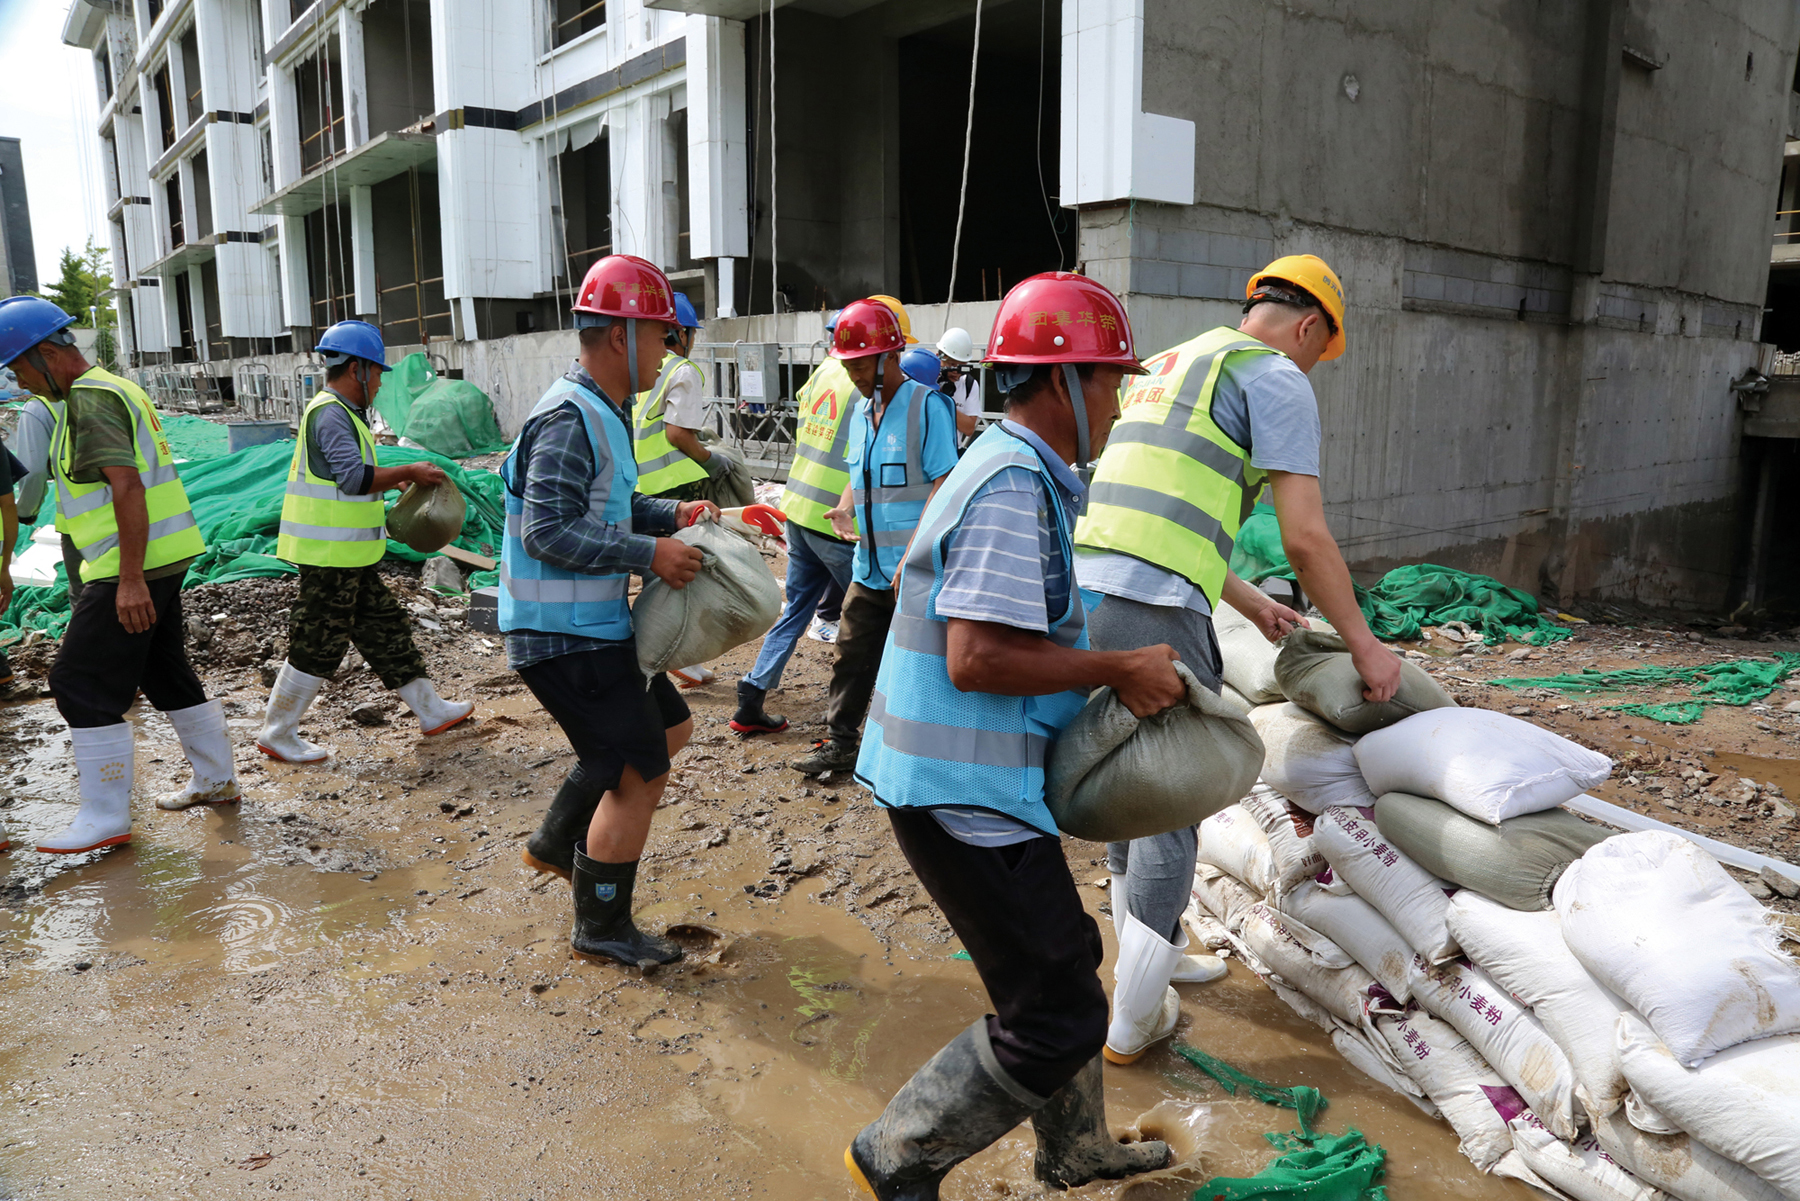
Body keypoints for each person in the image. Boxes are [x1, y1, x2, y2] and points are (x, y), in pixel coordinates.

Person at [845, 273, 1185, 1197]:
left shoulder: (1020, 470)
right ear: (1063, 383)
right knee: (1059, 1016)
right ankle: (899, 1151)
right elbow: (978, 659)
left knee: (1065, 957)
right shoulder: (1007, 484)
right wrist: (1117, 669)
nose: (1117, 400)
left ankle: (1073, 1147)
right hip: (958, 790)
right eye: (1110, 380)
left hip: (973, 780)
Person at [1073, 254, 1404, 1064]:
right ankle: (1134, 1017)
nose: (1313, 365)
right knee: (1175, 799)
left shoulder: (1171, 365)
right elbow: (1306, 534)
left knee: (1130, 787)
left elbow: (1162, 505)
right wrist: (1364, 643)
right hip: (1153, 603)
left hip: (1088, 588)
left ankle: (1156, 950)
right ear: (1309, 326)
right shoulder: (1276, 377)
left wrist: (1248, 598)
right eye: (1319, 351)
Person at [501, 254, 718, 966]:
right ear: (622, 335)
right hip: (561, 636)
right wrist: (647, 555)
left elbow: (609, 505)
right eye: (661, 335)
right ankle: (601, 923)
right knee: (638, 769)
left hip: (590, 628)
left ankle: (558, 839)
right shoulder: (570, 417)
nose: (670, 350)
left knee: (670, 726)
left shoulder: (602, 410)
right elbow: (547, 530)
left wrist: (671, 513)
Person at [0, 295, 238, 854]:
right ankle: (217, 779)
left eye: (18, 369)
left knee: (76, 683)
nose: (19, 383)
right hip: (158, 555)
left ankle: (105, 814)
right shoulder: (112, 386)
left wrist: (128, 579)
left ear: (44, 355)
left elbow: (126, 486)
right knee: (162, 669)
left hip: (127, 564)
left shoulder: (89, 399)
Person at [258, 321, 474, 763]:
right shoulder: (331, 413)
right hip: (329, 556)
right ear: (355, 369)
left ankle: (431, 710)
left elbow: (350, 480)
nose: (378, 382)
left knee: (384, 626)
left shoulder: (342, 413)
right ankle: (277, 732)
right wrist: (407, 472)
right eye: (375, 373)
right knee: (317, 640)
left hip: (350, 553)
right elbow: (353, 478)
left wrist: (390, 483)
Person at [730, 298, 918, 734]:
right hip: (838, 520)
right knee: (875, 615)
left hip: (799, 507)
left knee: (797, 608)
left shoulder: (822, 371)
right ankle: (895, 711)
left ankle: (752, 695)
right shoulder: (866, 383)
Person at [787, 299, 959, 776]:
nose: (855, 375)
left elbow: (945, 483)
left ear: (890, 357)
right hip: (869, 565)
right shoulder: (863, 413)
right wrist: (844, 507)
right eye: (849, 366)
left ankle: (924, 755)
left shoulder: (929, 408)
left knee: (921, 665)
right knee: (851, 653)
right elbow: (859, 472)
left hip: (915, 570)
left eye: (861, 365)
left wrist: (916, 556)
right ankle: (841, 743)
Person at [631, 290, 736, 689]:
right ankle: (672, 655)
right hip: (674, 490)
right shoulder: (682, 371)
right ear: (681, 333)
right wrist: (710, 459)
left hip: (642, 490)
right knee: (680, 576)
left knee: (653, 576)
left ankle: (665, 656)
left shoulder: (642, 368)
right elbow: (678, 434)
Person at [9, 391, 85, 615]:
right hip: (137, 513)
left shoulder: (38, 408)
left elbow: (33, 472)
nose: (21, 383)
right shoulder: (113, 390)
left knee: (87, 600)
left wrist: (25, 511)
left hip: (83, 522)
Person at [936, 326, 984, 448]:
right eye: (952, 364)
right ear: (939, 357)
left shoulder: (969, 384)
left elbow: (968, 428)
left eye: (961, 366)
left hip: (951, 454)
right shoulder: (927, 377)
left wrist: (944, 401)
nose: (956, 372)